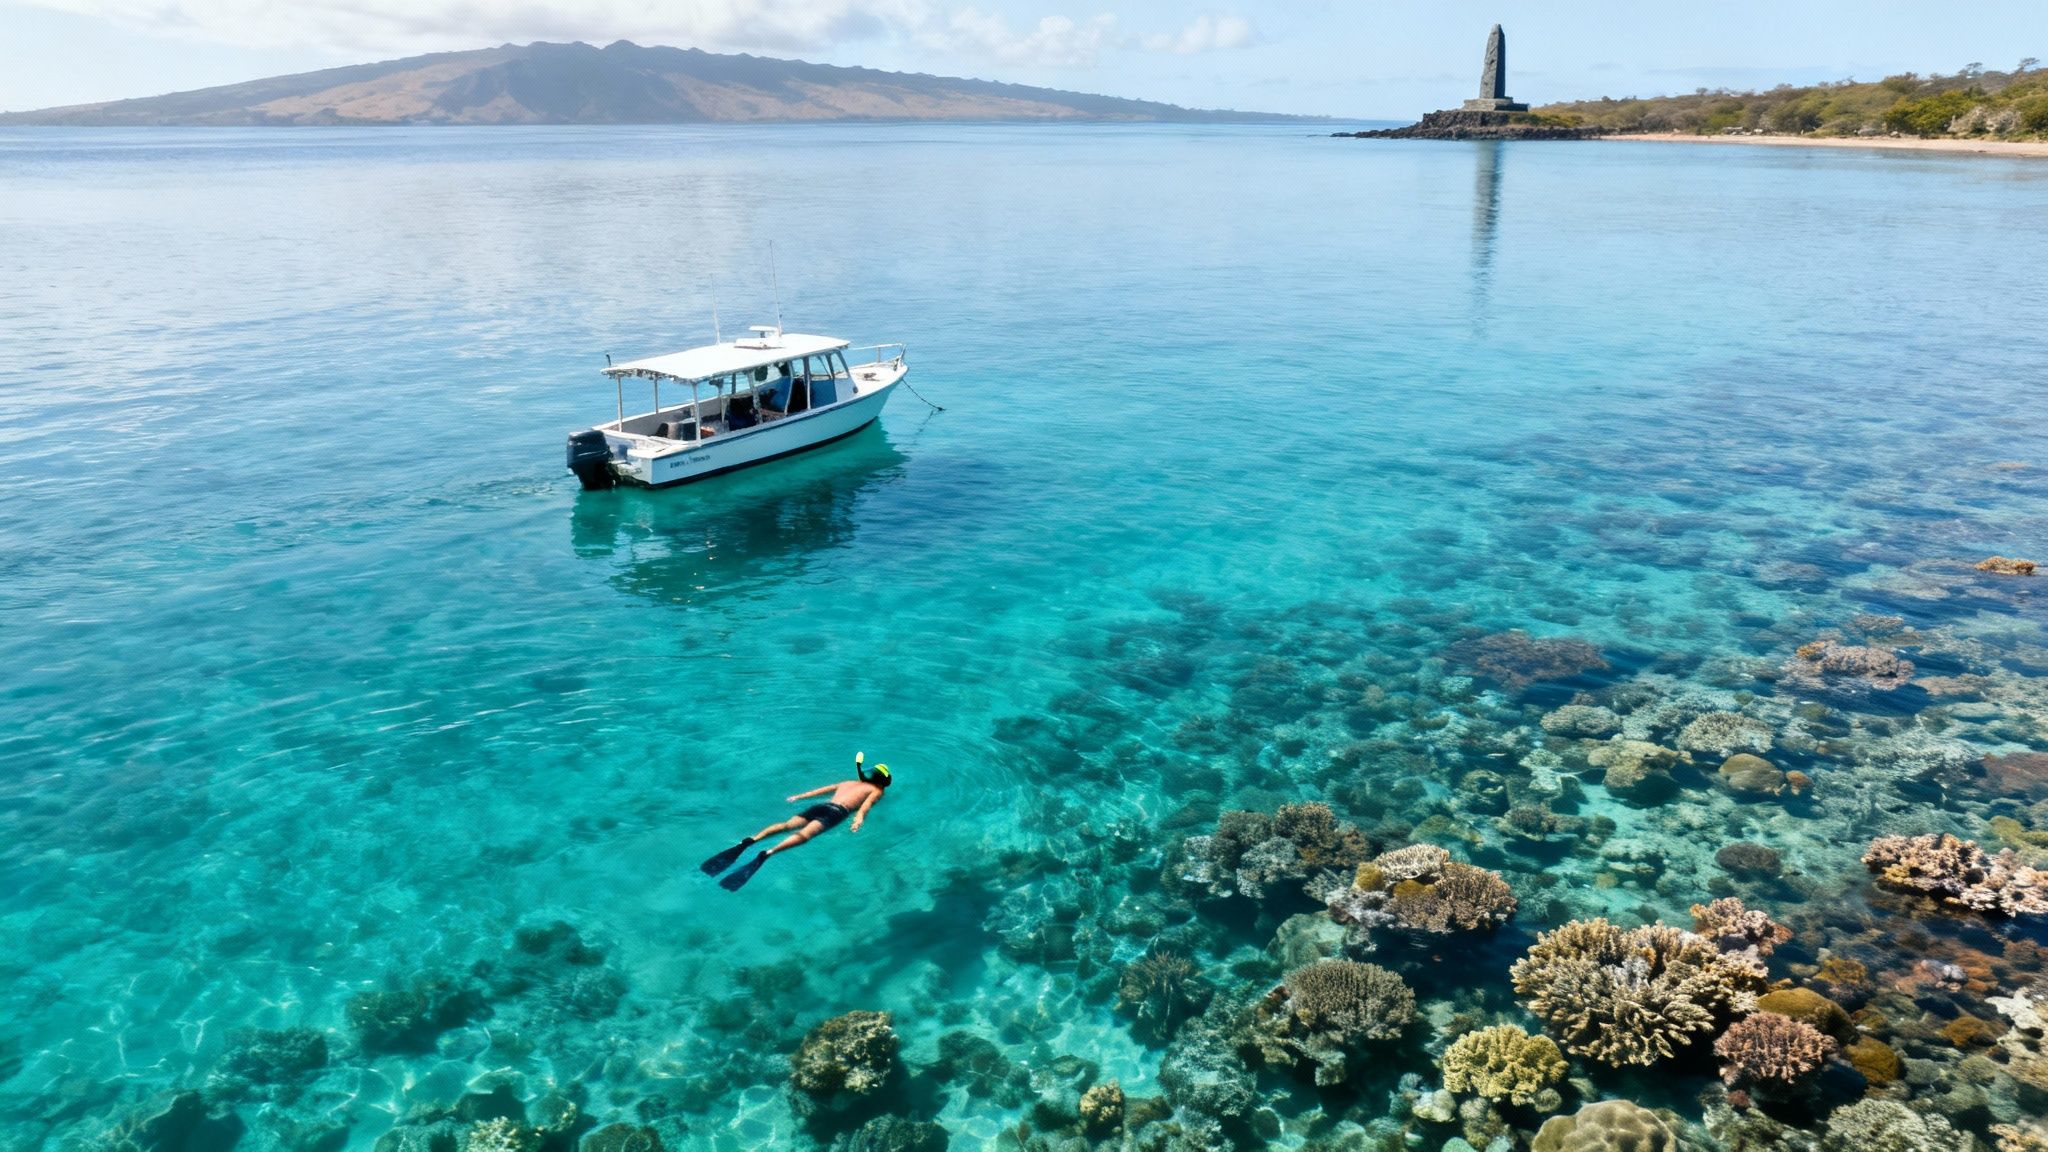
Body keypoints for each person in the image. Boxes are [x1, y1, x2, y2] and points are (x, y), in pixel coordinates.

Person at [700, 754, 891, 891]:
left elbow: (821, 790)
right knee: (804, 836)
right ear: (882, 781)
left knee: (786, 825)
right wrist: (858, 820)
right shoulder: (877, 791)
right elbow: (865, 806)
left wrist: (799, 797)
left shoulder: (848, 782)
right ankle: (769, 852)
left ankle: (752, 839)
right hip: (837, 812)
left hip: (822, 805)